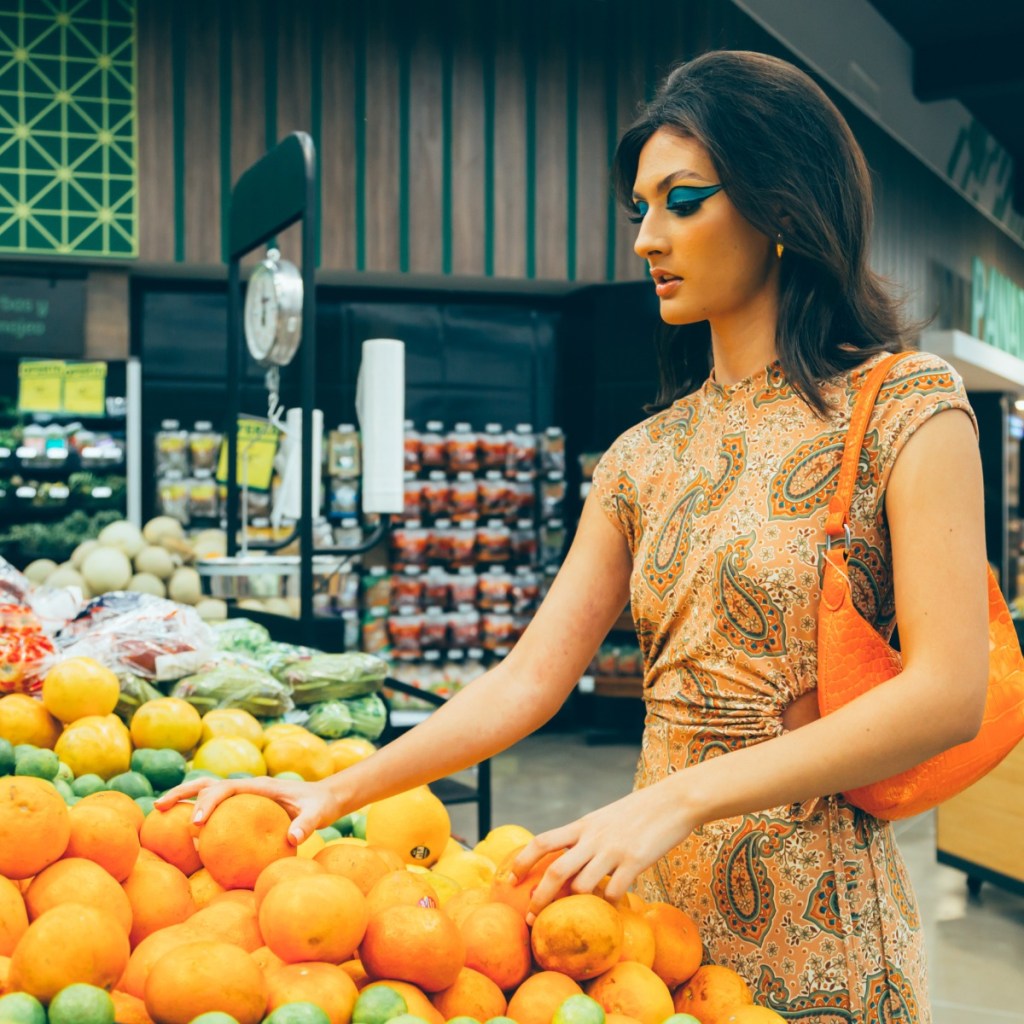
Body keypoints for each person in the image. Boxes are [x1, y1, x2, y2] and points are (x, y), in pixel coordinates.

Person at [159, 50, 988, 1022]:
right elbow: (527, 678)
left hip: (822, 922)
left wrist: (678, 797)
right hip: (638, 919)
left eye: (681, 201)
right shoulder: (642, 455)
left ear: (782, 209)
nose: (646, 239)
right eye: (639, 209)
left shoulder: (904, 406)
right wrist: (333, 789)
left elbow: (946, 693)